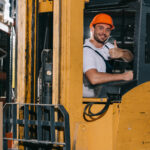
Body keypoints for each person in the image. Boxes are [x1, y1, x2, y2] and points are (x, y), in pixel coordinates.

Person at [83, 13, 134, 97]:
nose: (104, 32)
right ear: (92, 29)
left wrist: (122, 53)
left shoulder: (107, 47)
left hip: (104, 95)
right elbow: (93, 78)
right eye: (100, 28)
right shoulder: (86, 51)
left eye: (107, 30)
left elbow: (130, 57)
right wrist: (123, 76)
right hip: (91, 101)